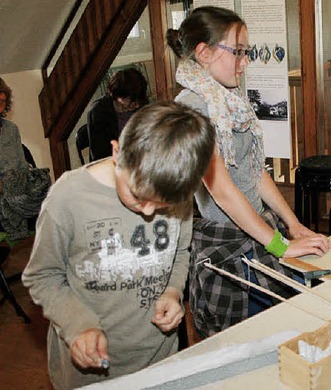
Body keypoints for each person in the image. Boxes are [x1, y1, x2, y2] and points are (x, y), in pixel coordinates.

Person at [22, 102, 216, 389]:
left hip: (157, 357)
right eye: (138, 196)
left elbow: (180, 254)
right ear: (117, 153)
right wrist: (78, 325)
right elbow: (42, 276)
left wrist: (173, 292)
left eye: (162, 204)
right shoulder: (68, 197)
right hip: (90, 368)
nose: (149, 212)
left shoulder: (176, 190)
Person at [166, 6, 331, 338]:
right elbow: (223, 191)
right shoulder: (195, 108)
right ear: (205, 52)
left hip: (256, 233)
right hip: (226, 244)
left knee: (282, 329)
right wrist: (281, 247)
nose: (245, 62)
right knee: (242, 341)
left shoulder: (227, 100)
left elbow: (255, 171)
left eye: (247, 53)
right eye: (238, 52)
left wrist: (294, 225)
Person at [0, 76, 51, 242]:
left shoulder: (11, 129)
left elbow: (22, 166)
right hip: (4, 191)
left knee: (44, 188)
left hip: (14, 188)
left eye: (2, 101)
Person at [87, 68, 149, 161]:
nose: (136, 105)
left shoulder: (141, 104)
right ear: (117, 95)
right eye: (129, 100)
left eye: (138, 101)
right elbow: (100, 156)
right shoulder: (98, 112)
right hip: (114, 163)